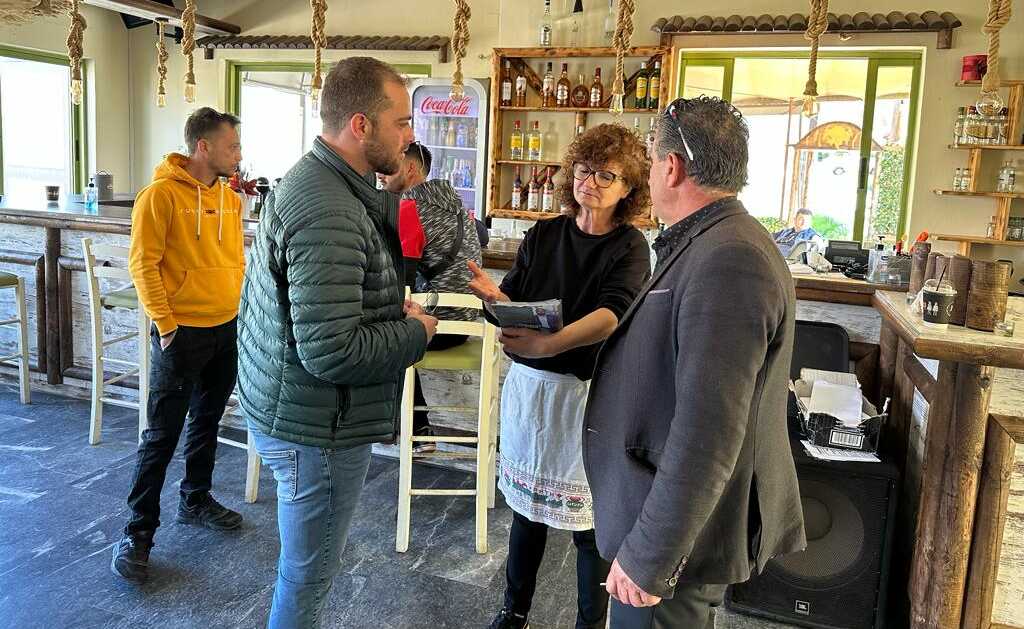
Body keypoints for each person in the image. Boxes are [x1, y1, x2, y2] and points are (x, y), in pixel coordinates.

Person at [583, 96, 807, 628]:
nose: (649, 175)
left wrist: (651, 555)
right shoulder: (711, 240)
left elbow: (710, 432)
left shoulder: (731, 258)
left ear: (672, 167)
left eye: (651, 160)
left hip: (677, 542)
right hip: (663, 519)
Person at [236, 57, 437, 628]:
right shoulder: (328, 206)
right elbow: (331, 350)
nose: (409, 135)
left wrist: (384, 308)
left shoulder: (327, 185)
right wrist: (414, 332)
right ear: (360, 125)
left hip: (300, 411)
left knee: (305, 571)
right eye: (401, 122)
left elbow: (324, 306)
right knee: (308, 577)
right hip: (316, 428)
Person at [467, 124, 652, 629]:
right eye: (584, 171)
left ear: (629, 188)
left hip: (588, 397)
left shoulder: (630, 246)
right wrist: (495, 299)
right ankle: (513, 611)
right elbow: (516, 299)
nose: (590, 183)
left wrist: (549, 343)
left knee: (589, 526)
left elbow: (612, 314)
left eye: (606, 175)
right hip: (531, 393)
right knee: (526, 513)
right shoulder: (544, 233)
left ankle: (589, 623)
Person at [111, 107, 246, 583]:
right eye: (232, 146)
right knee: (161, 434)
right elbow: (143, 264)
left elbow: (233, 259)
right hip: (181, 332)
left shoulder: (230, 198)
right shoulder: (160, 196)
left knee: (207, 420)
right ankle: (137, 532)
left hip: (225, 327)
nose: (239, 155)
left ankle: (195, 498)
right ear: (203, 147)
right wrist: (166, 325)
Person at [381, 142, 483, 453]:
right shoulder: (453, 202)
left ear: (410, 168)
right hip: (468, 318)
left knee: (383, 333)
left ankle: (408, 427)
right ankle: (411, 426)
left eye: (389, 167)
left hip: (442, 323)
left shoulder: (410, 208)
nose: (382, 173)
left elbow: (402, 280)